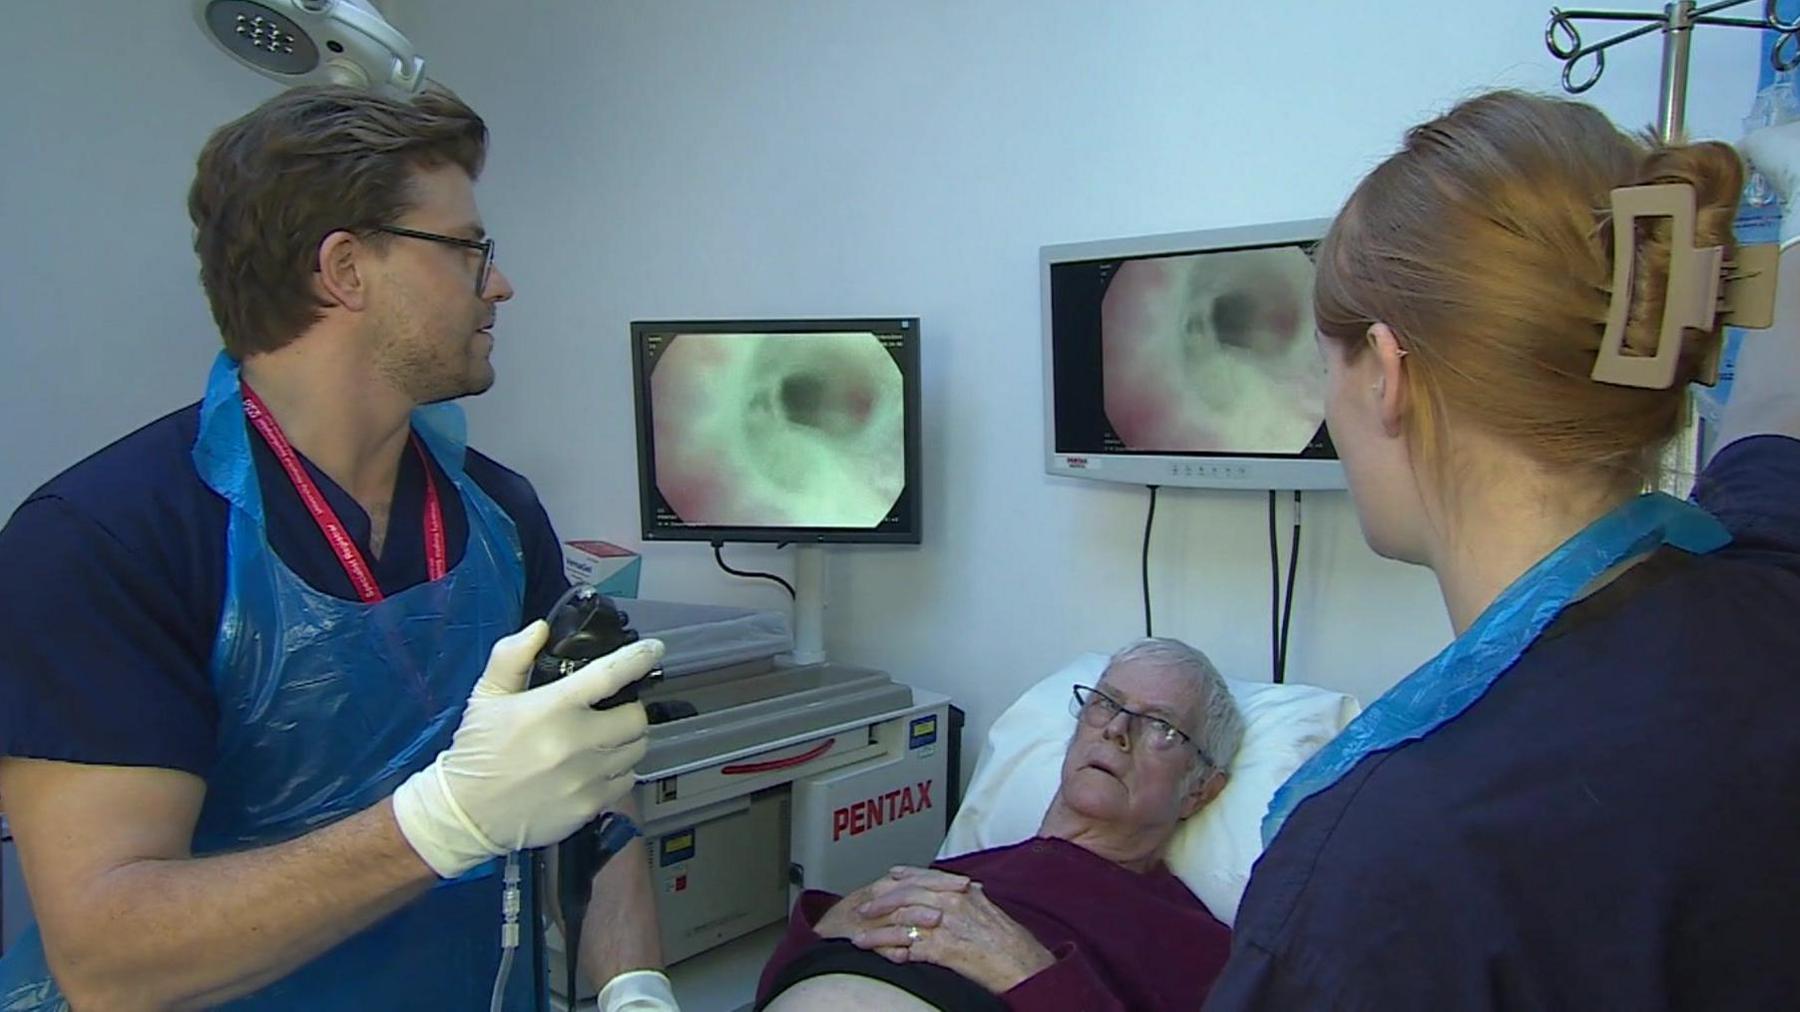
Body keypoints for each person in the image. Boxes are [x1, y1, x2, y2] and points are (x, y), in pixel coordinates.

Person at [0, 86, 662, 1010]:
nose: (500, 284)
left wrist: (633, 985)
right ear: (345, 270)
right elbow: (108, 959)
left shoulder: (500, 516)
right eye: (471, 251)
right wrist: (445, 822)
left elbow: (593, 782)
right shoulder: (107, 540)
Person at [1205, 90, 1800, 1010]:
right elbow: (1776, 418)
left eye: (1330, 366)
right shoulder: (1773, 576)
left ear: (1387, 375)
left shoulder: (1382, 876)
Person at [747, 637, 1244, 1011]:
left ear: (1202, 790)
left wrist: (1023, 970)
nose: (1116, 729)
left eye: (1160, 726)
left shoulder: (1197, 942)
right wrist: (828, 926)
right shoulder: (959, 875)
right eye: (1105, 704)